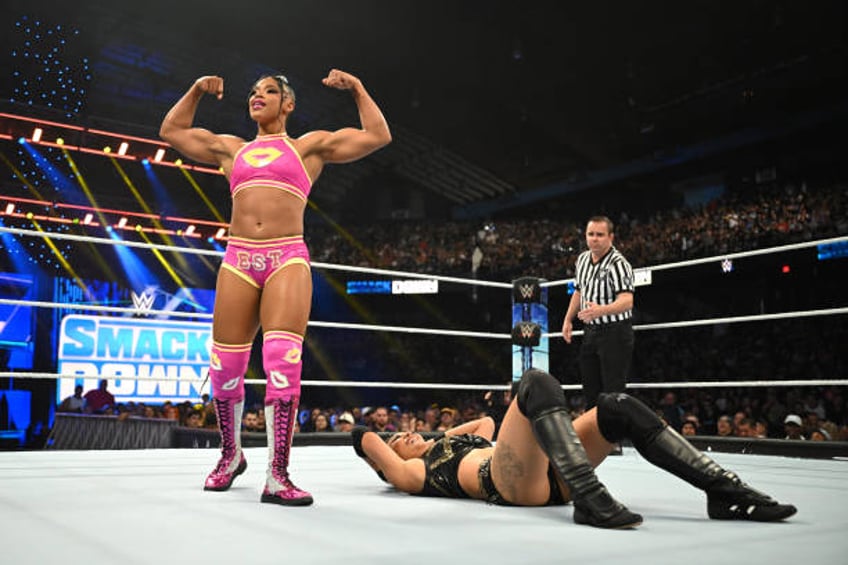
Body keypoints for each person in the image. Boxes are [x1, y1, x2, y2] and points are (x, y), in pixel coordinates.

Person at [160, 68, 391, 506]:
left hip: (286, 257)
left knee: (280, 360)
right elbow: (172, 130)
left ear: (288, 105)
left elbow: (377, 135)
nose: (257, 96)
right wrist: (195, 89)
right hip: (239, 258)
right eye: (253, 91)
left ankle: (278, 474)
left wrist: (359, 88)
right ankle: (230, 456)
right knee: (225, 364)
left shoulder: (308, 147)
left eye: (269, 91)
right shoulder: (232, 149)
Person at [353, 369, 796, 529]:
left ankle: (723, 490)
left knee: (616, 408)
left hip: (547, 468)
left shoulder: (447, 443)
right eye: (396, 441)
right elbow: (365, 438)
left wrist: (432, 438)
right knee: (536, 382)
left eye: (403, 433)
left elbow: (487, 423)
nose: (402, 436)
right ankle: (590, 496)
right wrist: (376, 445)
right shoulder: (412, 476)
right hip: (509, 483)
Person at [561, 216, 635, 412]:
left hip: (615, 331)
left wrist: (600, 310)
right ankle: (596, 439)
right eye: (591, 234)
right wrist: (568, 319)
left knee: (612, 391)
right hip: (591, 331)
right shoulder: (583, 259)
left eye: (600, 235)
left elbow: (627, 301)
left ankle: (613, 440)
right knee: (590, 388)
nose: (594, 239)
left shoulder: (618, 264)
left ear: (610, 237)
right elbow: (579, 290)